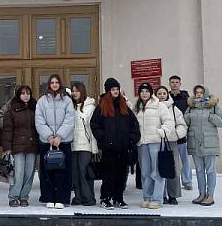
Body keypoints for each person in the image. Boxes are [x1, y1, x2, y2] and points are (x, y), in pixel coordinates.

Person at [91, 78, 140, 209]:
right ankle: (105, 198)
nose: (115, 91)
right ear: (108, 91)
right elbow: (95, 125)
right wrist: (103, 138)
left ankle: (118, 198)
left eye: (117, 89)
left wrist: (131, 139)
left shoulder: (124, 106)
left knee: (121, 175)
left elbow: (134, 125)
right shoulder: (101, 107)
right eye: (113, 89)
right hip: (109, 148)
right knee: (108, 175)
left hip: (123, 147)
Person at [35, 74, 75, 209]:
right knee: (47, 172)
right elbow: (39, 121)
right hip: (47, 142)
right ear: (49, 84)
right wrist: (49, 137)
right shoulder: (42, 101)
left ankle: (62, 199)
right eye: (52, 82)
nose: (54, 84)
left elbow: (69, 120)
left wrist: (59, 136)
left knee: (63, 172)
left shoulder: (67, 101)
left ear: (60, 84)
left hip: (63, 142)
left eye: (56, 82)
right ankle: (48, 198)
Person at [184, 85, 222, 206]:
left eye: (201, 92)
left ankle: (210, 195)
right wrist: (187, 117)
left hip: (210, 144)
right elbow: (185, 122)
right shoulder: (191, 107)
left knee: (210, 170)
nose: (198, 94)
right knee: (199, 170)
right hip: (195, 143)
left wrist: (211, 117)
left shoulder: (213, 106)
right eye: (196, 92)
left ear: (205, 93)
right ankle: (202, 194)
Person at [134, 82, 174, 210]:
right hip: (142, 143)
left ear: (151, 93)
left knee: (156, 172)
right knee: (145, 172)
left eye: (147, 91)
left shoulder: (159, 105)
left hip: (156, 142)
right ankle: (147, 197)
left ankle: (157, 198)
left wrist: (161, 132)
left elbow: (169, 121)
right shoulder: (137, 107)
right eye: (142, 91)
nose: (144, 94)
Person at [2, 85, 39, 207]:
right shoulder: (11, 110)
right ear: (18, 95)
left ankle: (24, 196)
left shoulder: (35, 108)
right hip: (17, 147)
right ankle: (13, 196)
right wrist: (7, 148)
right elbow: (7, 130)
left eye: (28, 93)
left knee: (29, 173)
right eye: (23, 93)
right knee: (18, 173)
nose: (26, 96)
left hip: (32, 145)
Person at [155, 86, 188, 205]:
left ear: (167, 95)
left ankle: (173, 195)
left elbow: (181, 124)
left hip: (171, 141)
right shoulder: (153, 107)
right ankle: (161, 194)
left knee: (174, 169)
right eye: (159, 93)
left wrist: (177, 134)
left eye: (164, 93)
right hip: (157, 141)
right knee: (159, 168)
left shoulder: (174, 108)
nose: (162, 95)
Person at [70, 82, 98, 206]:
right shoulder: (70, 106)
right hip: (73, 145)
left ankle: (89, 198)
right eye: (73, 91)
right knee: (75, 173)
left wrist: (94, 148)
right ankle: (78, 197)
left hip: (86, 145)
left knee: (84, 172)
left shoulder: (90, 107)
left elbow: (92, 129)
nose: (74, 93)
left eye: (77, 91)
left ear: (82, 91)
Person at [169, 75, 193, 190]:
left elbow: (190, 114)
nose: (174, 84)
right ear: (169, 84)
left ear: (180, 84)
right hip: (171, 133)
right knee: (173, 160)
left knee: (185, 159)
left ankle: (187, 181)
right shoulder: (166, 97)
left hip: (183, 133)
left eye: (176, 82)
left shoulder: (186, 98)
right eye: (172, 82)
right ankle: (173, 181)